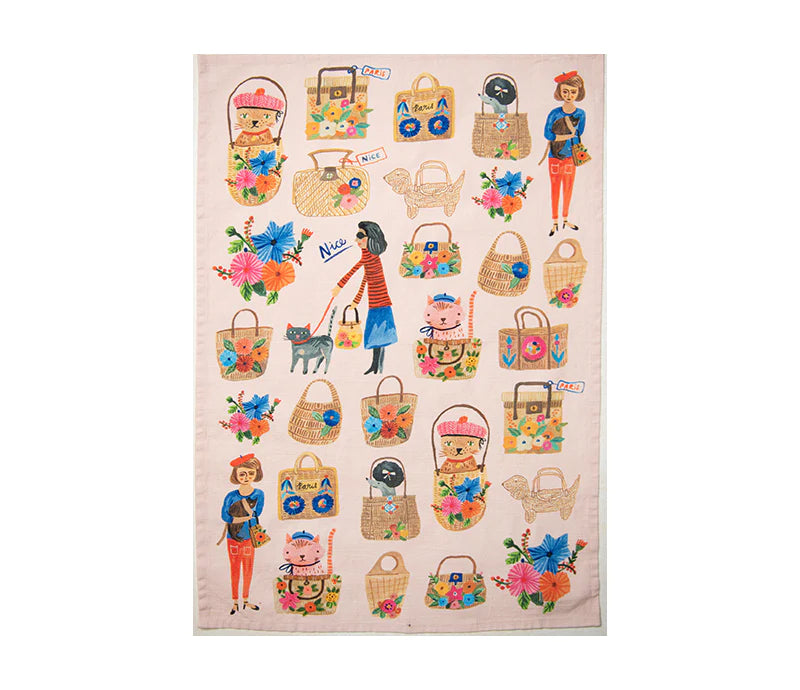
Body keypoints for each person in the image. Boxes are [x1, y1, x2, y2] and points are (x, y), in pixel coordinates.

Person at [332, 221, 397, 374]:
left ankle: (378, 367)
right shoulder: (370, 257)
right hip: (376, 303)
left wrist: (339, 286)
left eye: (360, 236)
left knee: (377, 336)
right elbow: (365, 278)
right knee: (377, 337)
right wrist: (357, 300)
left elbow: (352, 271)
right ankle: (376, 366)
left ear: (371, 238)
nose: (356, 240)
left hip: (380, 304)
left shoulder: (370, 257)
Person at [542, 71, 587, 237]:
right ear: (559, 92)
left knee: (568, 187)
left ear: (579, 92)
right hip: (554, 155)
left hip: (570, 157)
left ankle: (565, 218)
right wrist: (566, 136)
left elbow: (580, 132)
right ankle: (555, 221)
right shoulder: (554, 113)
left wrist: (564, 137)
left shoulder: (581, 114)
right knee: (555, 188)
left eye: (573, 92)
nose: (569, 95)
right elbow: (547, 134)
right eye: (565, 91)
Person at [220, 454, 265, 615]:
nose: (246, 477)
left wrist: (241, 517)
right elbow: (224, 516)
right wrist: (242, 518)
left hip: (249, 537)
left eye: (251, 473)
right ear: (236, 475)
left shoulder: (259, 494)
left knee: (248, 568)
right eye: (242, 474)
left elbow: (258, 512)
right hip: (232, 537)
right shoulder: (231, 496)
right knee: (234, 569)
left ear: (256, 474)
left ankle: (245, 600)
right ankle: (234, 601)